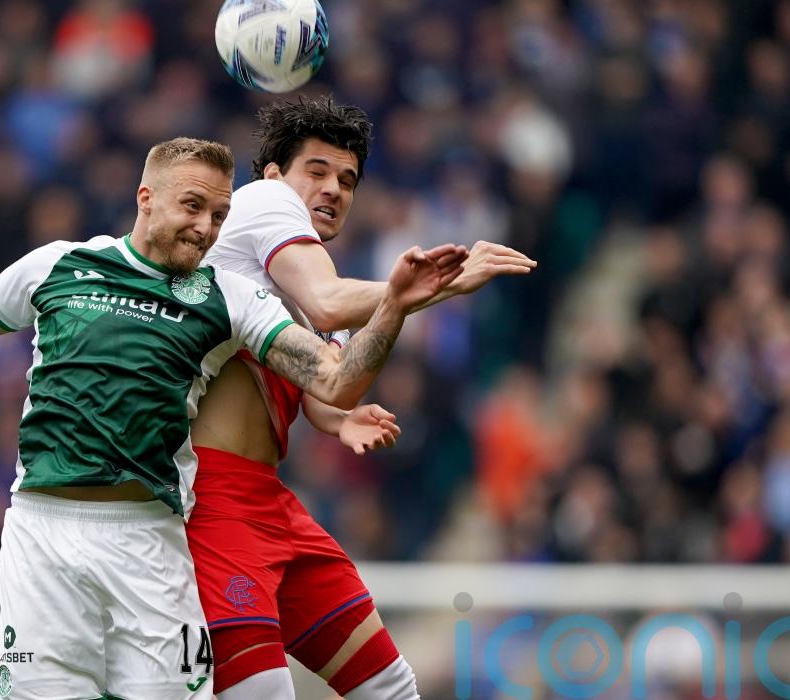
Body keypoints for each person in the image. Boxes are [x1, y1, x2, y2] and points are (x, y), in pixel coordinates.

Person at [0, 137, 466, 699]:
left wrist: (395, 305)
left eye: (219, 216)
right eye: (192, 206)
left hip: (150, 544)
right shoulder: (60, 265)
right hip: (43, 536)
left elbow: (336, 379)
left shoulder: (227, 297)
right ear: (145, 198)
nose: (205, 227)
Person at [188, 97, 537, 698]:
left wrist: (341, 420)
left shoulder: (315, 277)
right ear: (273, 174)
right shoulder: (263, 203)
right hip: (211, 499)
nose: (333, 189)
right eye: (317, 171)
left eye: (347, 180)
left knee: (390, 688)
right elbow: (330, 304)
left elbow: (329, 388)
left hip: (270, 502)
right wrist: (443, 285)